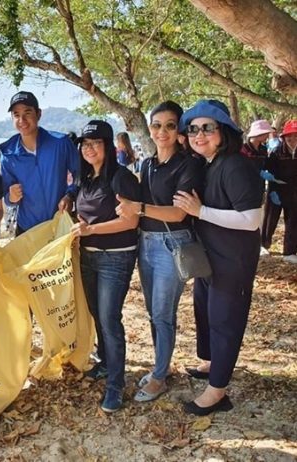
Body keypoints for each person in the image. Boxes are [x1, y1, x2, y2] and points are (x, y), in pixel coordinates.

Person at [174, 99, 263, 416]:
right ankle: (213, 364)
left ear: (223, 131)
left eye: (207, 128)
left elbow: (252, 219)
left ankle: (218, 391)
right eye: (193, 129)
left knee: (225, 321)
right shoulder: (210, 164)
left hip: (232, 261)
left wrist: (200, 211)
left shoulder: (236, 165)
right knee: (207, 312)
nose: (199, 135)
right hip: (210, 258)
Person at [115, 101, 203, 403]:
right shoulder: (148, 164)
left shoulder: (188, 165)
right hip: (146, 242)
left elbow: (179, 213)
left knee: (164, 314)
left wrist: (138, 208)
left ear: (179, 130)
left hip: (172, 243)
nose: (162, 131)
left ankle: (160, 376)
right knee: (154, 313)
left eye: (169, 125)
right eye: (156, 125)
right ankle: (159, 367)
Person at [71, 120, 140, 413]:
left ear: (108, 146)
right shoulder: (86, 178)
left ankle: (116, 384)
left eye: (95, 143)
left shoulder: (121, 178)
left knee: (110, 318)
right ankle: (106, 363)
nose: (89, 149)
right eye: (85, 144)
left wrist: (91, 230)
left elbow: (131, 221)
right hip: (88, 257)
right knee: (97, 313)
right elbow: (83, 213)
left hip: (116, 257)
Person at [0, 91, 79, 234]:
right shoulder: (8, 154)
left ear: (39, 114)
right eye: (16, 115)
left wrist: (70, 195)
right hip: (26, 230)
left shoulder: (61, 143)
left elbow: (79, 174)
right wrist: (11, 197)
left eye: (27, 113)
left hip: (59, 225)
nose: (22, 120)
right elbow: (6, 196)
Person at [261, 119, 297, 263]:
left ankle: (289, 251)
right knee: (270, 219)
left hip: (294, 192)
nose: (292, 140)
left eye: (295, 137)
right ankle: (263, 245)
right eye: (289, 137)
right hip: (276, 190)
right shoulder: (276, 152)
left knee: (293, 221)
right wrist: (272, 188)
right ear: (284, 138)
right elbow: (267, 169)